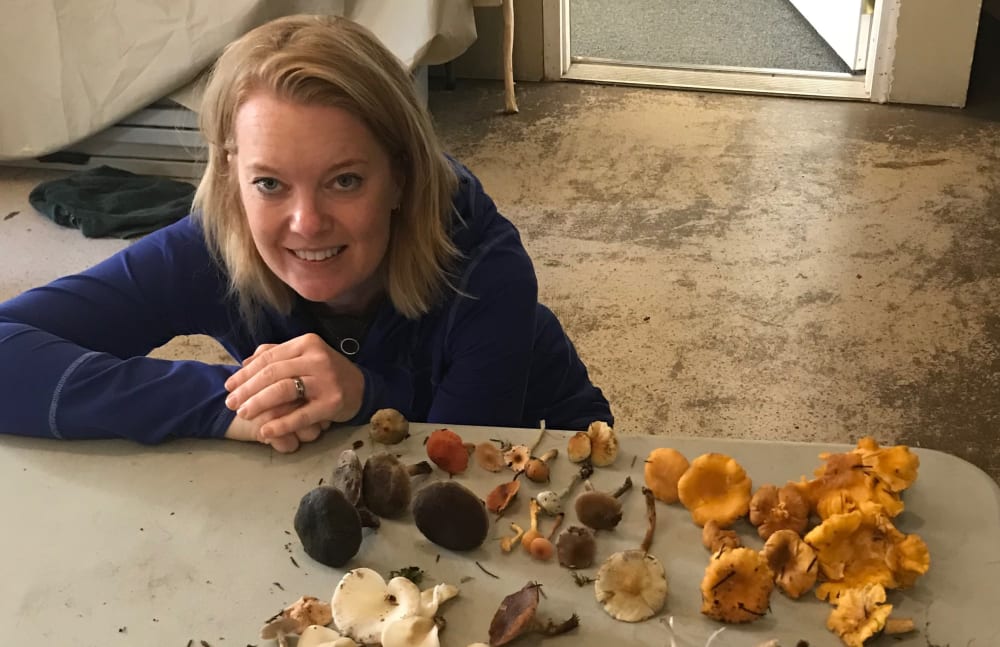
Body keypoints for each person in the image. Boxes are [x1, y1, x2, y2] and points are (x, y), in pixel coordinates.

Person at [0, 15, 612, 453]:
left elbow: (455, 476)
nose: (307, 223)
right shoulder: (216, 243)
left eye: (345, 180)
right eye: (269, 184)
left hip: (545, 445)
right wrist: (229, 401)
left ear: (401, 176)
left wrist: (364, 393)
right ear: (232, 177)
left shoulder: (486, 265)